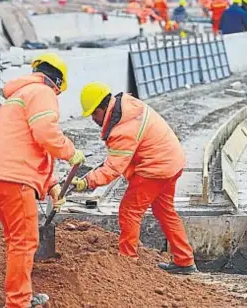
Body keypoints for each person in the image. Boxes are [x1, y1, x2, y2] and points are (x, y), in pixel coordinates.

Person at [0, 53, 85, 308]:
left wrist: (52, 185)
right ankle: (18, 302)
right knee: (24, 241)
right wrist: (70, 152)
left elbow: (29, 144)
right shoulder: (42, 92)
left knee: (17, 240)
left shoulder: (18, 97)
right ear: (57, 83)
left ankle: (21, 295)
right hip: (16, 178)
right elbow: (45, 133)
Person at [72, 82, 197, 275]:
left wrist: (87, 182)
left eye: (93, 114)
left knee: (129, 211)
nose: (92, 119)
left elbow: (114, 167)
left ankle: (127, 263)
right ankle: (184, 260)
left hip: (156, 168)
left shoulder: (123, 129)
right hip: (171, 160)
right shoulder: (127, 106)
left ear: (101, 109)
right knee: (165, 211)